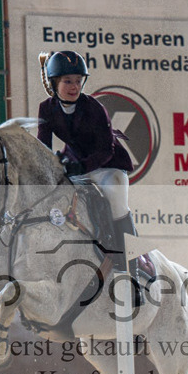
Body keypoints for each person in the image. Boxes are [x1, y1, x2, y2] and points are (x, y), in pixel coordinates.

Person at [36, 50, 137, 272]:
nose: (74, 87)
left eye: (78, 81)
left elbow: (105, 149)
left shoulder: (94, 108)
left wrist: (81, 167)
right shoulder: (46, 108)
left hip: (108, 164)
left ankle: (132, 266)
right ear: (54, 83)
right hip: (75, 163)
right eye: (68, 81)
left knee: (117, 202)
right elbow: (42, 145)